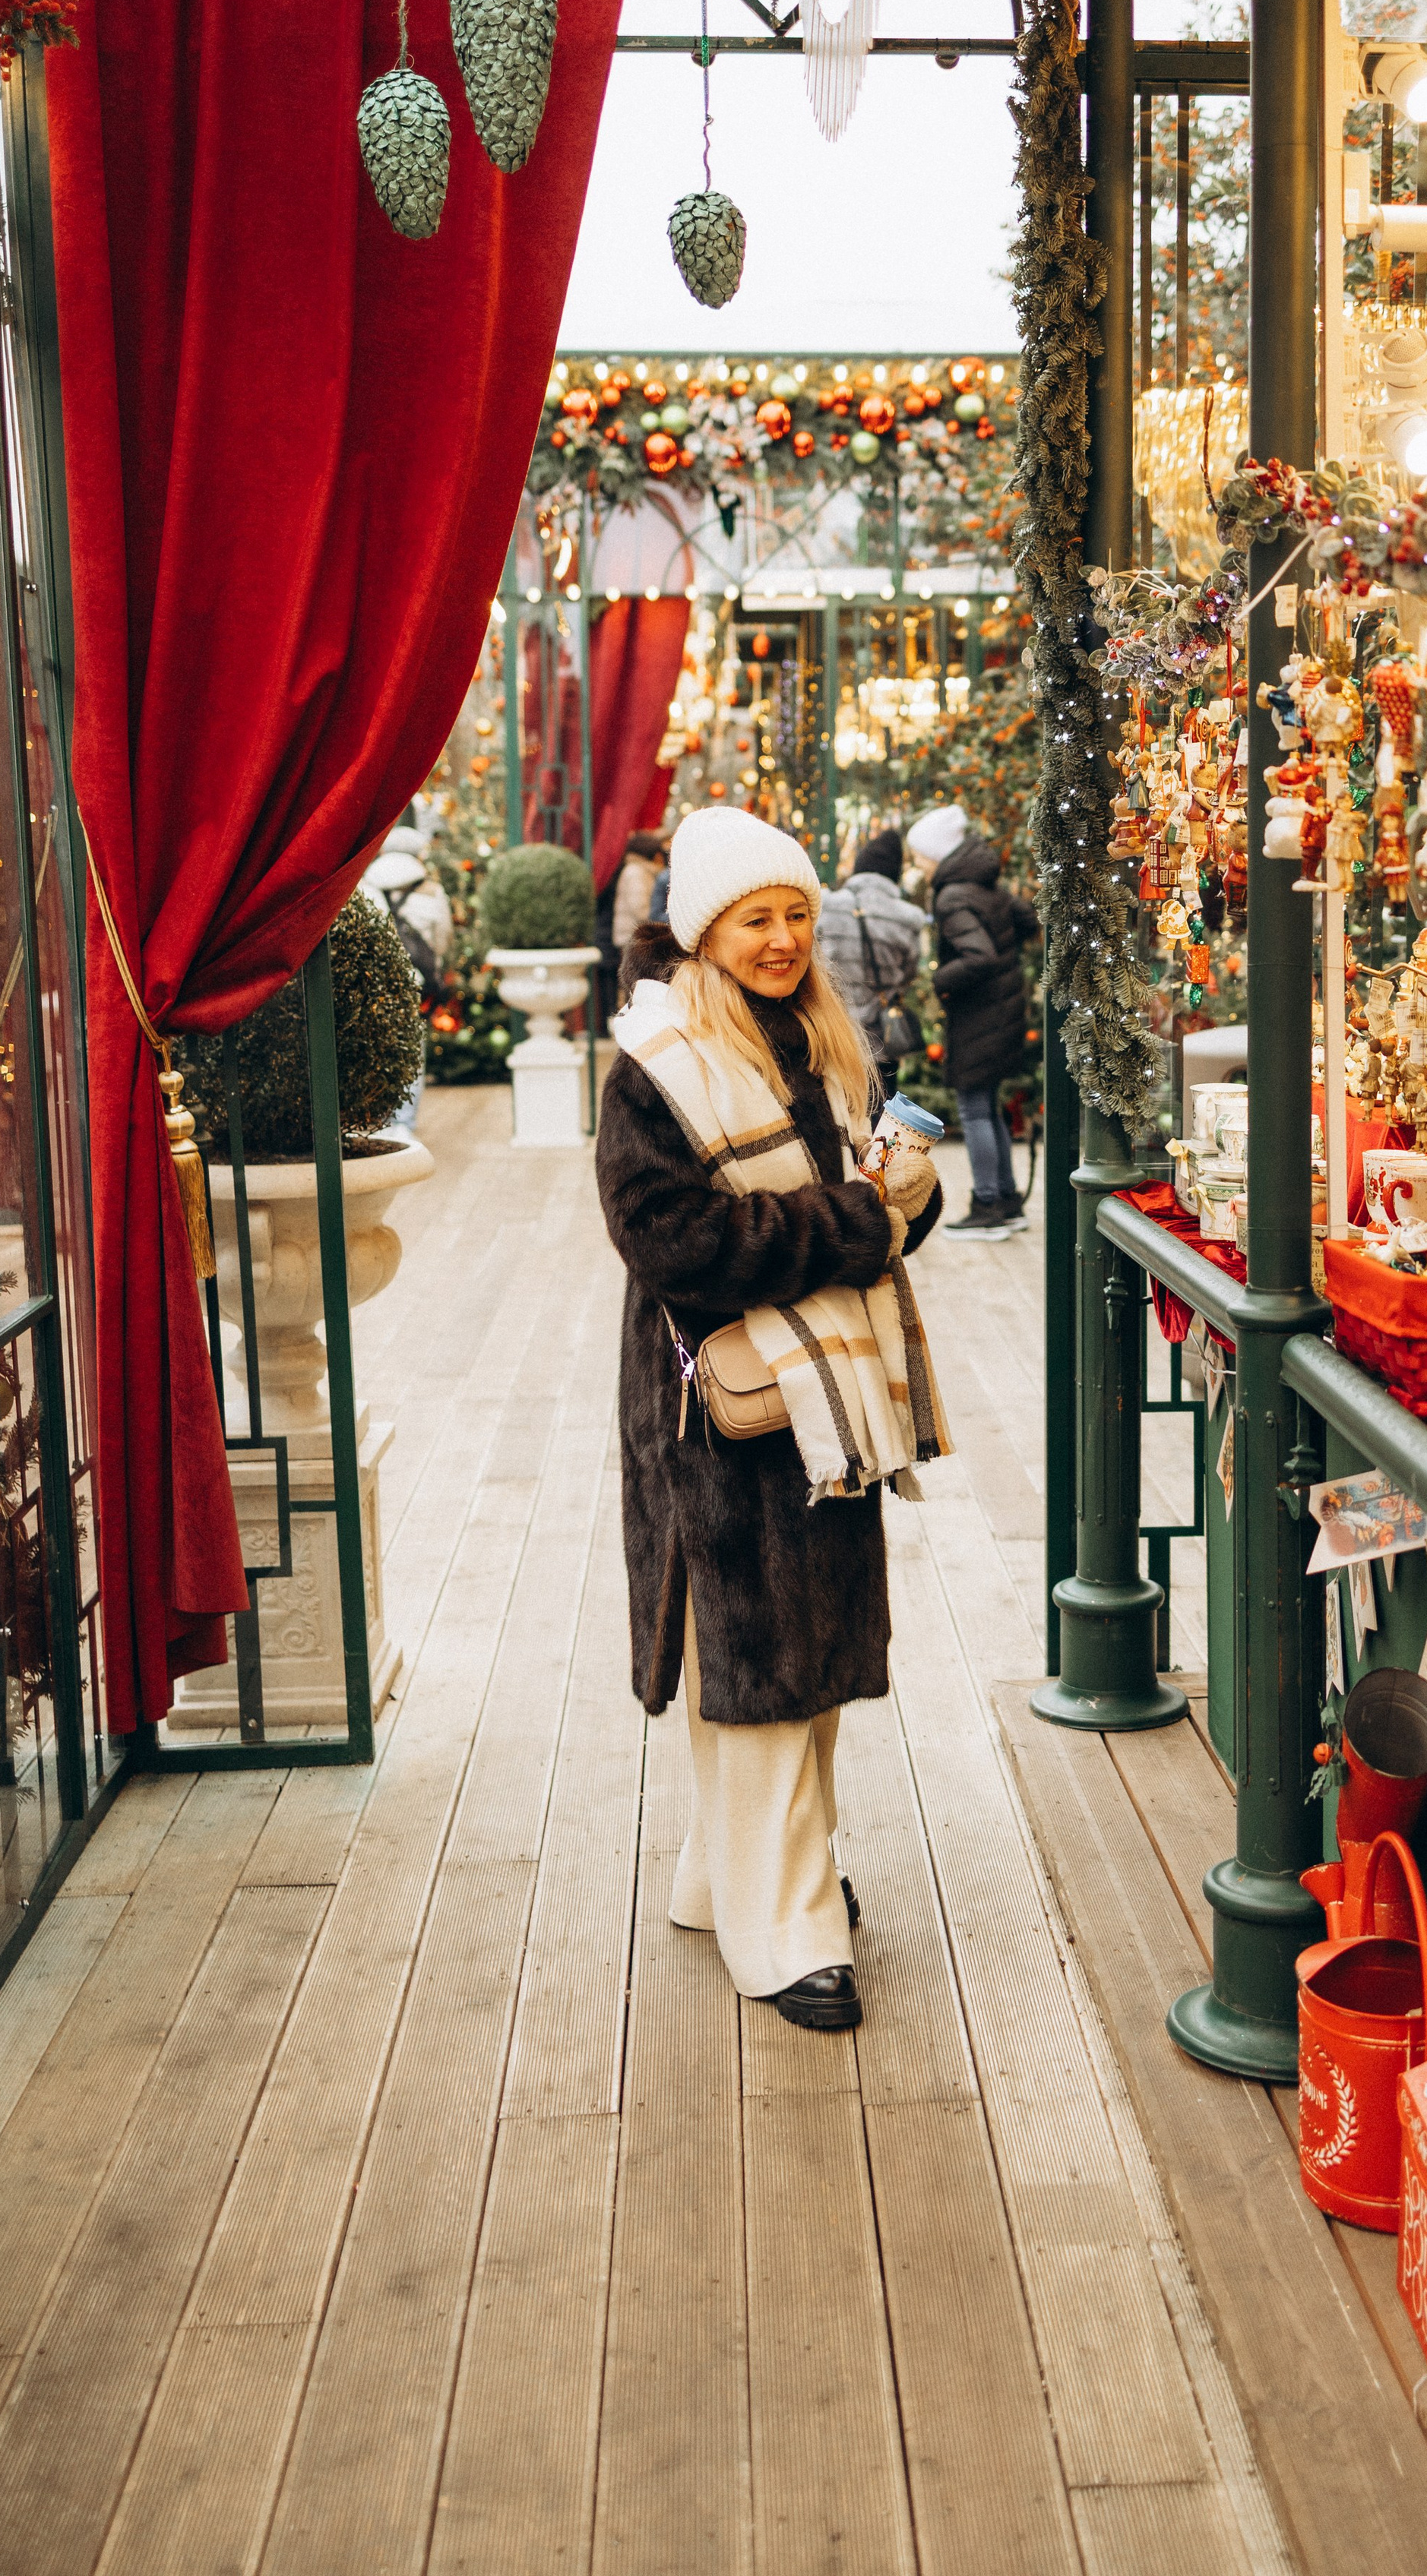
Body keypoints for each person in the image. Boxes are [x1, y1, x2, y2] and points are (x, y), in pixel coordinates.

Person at [596, 809, 948, 2033]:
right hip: (722, 1414)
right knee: (758, 1669)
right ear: (707, 931)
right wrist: (854, 1225)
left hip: (823, 1406)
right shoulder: (658, 1062)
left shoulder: (814, 1038)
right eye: (759, 919)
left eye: (796, 912)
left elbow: (871, 1203)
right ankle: (784, 1929)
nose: (787, 937)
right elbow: (670, 1241)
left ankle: (730, 1878)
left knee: (808, 1666)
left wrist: (908, 1196)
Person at [909, 806, 1039, 1241]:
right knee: (987, 1106)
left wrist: (939, 980)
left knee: (974, 1108)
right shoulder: (986, 889)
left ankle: (988, 1206)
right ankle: (1005, 1199)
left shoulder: (952, 896)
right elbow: (1026, 920)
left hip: (979, 1016)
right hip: (1000, 1013)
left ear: (939, 855)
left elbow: (978, 956)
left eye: (921, 856)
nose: (918, 864)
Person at [814, 827, 929, 1095]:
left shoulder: (827, 907)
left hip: (833, 1031)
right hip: (882, 1036)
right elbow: (909, 973)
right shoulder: (906, 917)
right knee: (881, 1116)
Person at [597, 828, 667, 981]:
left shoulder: (638, 870)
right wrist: (660, 917)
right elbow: (641, 909)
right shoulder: (637, 872)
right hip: (632, 935)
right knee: (635, 982)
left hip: (630, 935)